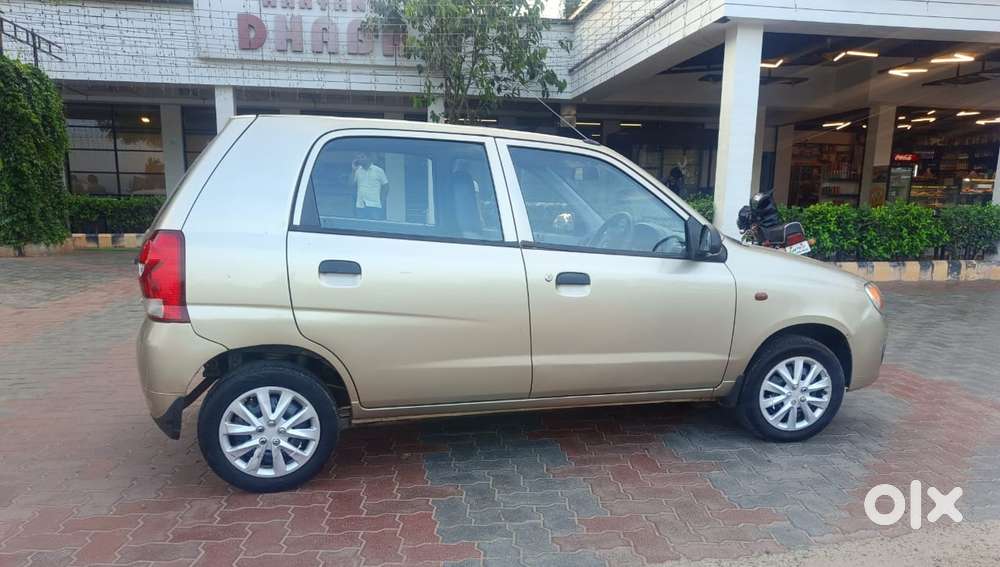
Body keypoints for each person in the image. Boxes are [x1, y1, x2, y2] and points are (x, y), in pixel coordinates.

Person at [352, 153, 389, 220]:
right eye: (358, 158)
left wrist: (382, 201)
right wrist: (353, 170)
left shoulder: (378, 170)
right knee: (361, 226)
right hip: (360, 205)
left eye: (362, 157)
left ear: (369, 158)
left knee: (375, 226)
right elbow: (351, 184)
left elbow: (386, 186)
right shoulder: (357, 170)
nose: (359, 159)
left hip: (375, 205)